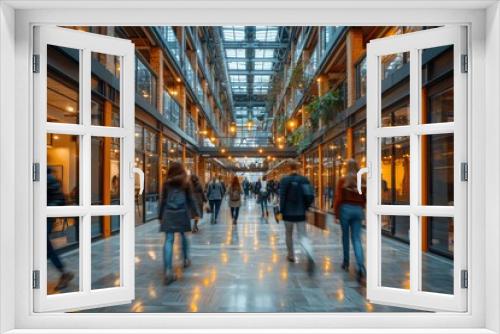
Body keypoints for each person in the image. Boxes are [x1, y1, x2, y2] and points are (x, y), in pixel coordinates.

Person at [159, 162, 199, 285]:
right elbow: (191, 199)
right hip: (182, 213)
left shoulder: (166, 183)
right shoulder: (185, 183)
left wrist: (160, 215)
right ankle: (186, 259)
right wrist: (196, 212)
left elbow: (163, 200)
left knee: (169, 240)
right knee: (183, 236)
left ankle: (168, 271)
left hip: (169, 213)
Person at [279, 159, 316, 275]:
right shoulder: (304, 180)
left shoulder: (284, 180)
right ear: (298, 168)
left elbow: (282, 197)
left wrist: (281, 211)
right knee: (302, 235)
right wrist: (306, 207)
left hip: (288, 213)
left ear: (288, 168)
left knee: (288, 234)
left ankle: (291, 255)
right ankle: (309, 254)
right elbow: (310, 195)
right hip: (300, 213)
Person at [333, 159, 367, 283]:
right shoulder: (362, 180)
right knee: (357, 239)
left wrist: (336, 214)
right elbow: (364, 198)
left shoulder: (342, 180)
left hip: (345, 210)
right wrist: (361, 208)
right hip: (358, 210)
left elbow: (338, 198)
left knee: (345, 237)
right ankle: (360, 266)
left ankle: (346, 262)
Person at [46, 167, 75, 291]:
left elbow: (59, 199)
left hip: (44, 217)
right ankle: (64, 273)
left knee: (44, 246)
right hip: (41, 217)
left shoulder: (47, 178)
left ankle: (64, 273)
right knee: (44, 247)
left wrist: (45, 210)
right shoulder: (49, 178)